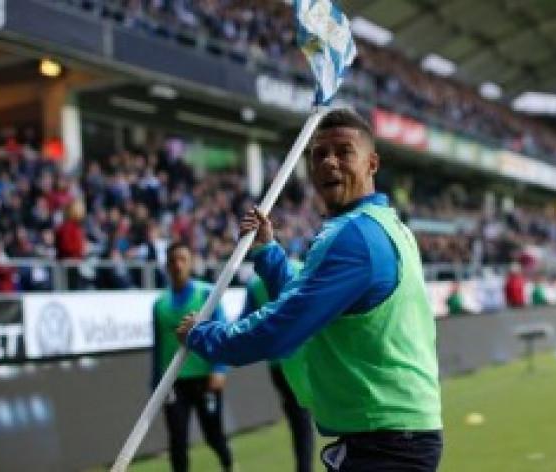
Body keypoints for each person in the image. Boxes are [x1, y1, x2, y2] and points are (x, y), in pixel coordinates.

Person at [178, 110, 442, 471]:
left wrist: (204, 336)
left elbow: (283, 328)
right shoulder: (385, 227)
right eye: (319, 154)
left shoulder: (355, 236)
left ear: (372, 163)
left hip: (386, 437)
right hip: (393, 431)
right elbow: (306, 301)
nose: (329, 162)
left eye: (344, 151)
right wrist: (268, 253)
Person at [152, 241, 234, 472]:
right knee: (177, 440)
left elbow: (221, 332)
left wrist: (219, 369)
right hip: (173, 382)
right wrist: (156, 384)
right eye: (172, 261)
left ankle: (229, 464)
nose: (177, 265)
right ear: (166, 266)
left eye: (182, 259)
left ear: (191, 263)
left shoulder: (207, 294)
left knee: (213, 434)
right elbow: (157, 347)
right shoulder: (159, 304)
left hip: (205, 378)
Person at [242, 262, 314, 472]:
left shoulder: (255, 284)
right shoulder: (304, 268)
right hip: (304, 358)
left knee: (299, 419)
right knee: (302, 418)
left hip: (281, 362)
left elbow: (246, 323)